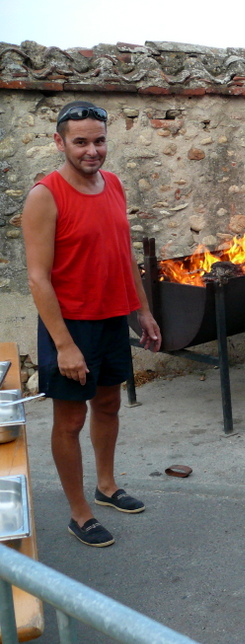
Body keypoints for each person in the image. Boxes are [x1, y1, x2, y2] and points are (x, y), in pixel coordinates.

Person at [22, 100, 161, 548]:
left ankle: (106, 486)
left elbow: (124, 258)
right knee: (69, 421)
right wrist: (63, 345)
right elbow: (38, 278)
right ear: (59, 142)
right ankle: (78, 513)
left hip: (110, 321)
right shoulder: (46, 195)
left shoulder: (114, 184)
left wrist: (142, 309)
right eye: (80, 142)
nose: (92, 150)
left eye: (99, 140)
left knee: (108, 406)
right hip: (71, 327)